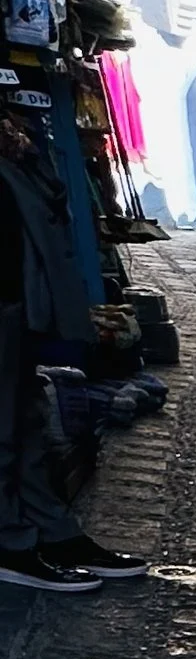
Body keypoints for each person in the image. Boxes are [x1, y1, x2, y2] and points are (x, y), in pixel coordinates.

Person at [0, 107, 145, 592]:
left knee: (26, 416)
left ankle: (50, 532)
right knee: (5, 423)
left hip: (17, 296)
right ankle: (12, 543)